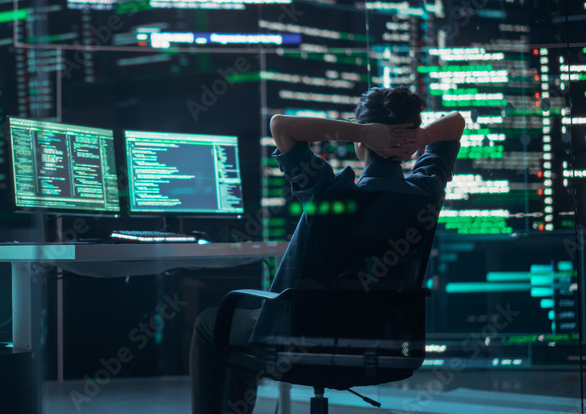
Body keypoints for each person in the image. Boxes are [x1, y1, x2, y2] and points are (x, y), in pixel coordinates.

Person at [190, 86, 465, 414]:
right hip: (383, 346)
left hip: (298, 343)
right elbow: (456, 122)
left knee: (211, 323)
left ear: (361, 142)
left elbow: (281, 125)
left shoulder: (327, 191)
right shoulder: (426, 192)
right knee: (238, 335)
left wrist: (363, 132)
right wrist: (415, 138)